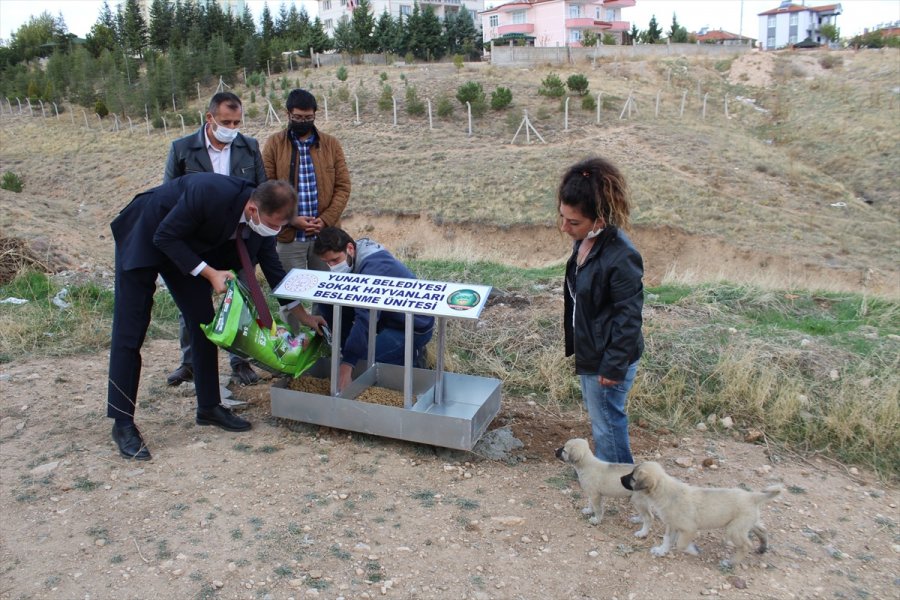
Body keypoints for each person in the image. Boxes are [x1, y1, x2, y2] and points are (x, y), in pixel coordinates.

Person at [107, 174, 325, 461]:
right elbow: (164, 236)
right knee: (130, 330)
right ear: (252, 210)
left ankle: (208, 407)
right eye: (274, 224)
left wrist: (302, 315)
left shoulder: (262, 224)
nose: (276, 231)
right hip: (146, 233)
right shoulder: (209, 192)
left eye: (281, 226)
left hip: (186, 249)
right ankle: (122, 423)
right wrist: (210, 274)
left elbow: (273, 270)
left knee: (204, 323)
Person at [164, 91, 268, 386]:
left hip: (237, 240)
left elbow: (261, 193)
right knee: (192, 304)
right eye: (226, 121)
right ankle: (190, 362)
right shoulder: (182, 149)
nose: (232, 128)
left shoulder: (249, 148)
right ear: (209, 118)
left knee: (242, 300)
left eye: (237, 122)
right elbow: (169, 194)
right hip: (196, 242)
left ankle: (240, 361)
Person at [559, 157, 644, 464]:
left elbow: (629, 316)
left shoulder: (622, 256)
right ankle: (610, 474)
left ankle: (623, 483)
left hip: (608, 358)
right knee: (603, 421)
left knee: (608, 423)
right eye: (563, 218)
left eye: (574, 222)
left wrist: (613, 365)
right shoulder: (588, 242)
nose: (565, 227)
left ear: (599, 219)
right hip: (594, 351)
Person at [313, 227, 434, 393]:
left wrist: (349, 363)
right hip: (386, 316)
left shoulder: (374, 267)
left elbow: (366, 318)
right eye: (327, 263)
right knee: (327, 303)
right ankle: (350, 352)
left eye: (335, 260)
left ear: (349, 248)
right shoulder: (351, 259)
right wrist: (345, 351)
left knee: (364, 364)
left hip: (412, 325)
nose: (332, 266)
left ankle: (414, 359)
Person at [262, 88, 351, 278]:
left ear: (315, 115)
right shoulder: (274, 144)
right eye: (298, 117)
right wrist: (291, 219)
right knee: (290, 293)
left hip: (326, 235)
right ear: (288, 114)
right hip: (289, 236)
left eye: (308, 117)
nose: (303, 122)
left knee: (329, 291)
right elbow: (266, 188)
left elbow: (343, 187)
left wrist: (326, 219)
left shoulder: (331, 144)